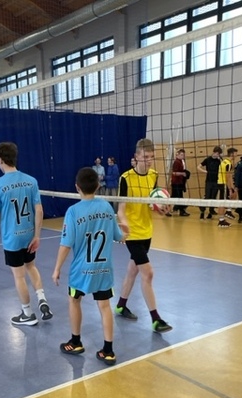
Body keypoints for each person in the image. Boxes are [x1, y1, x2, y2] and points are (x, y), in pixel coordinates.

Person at [52, 167, 127, 366]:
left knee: (74, 300)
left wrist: (57, 268)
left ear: (77, 187)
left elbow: (66, 244)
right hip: (104, 269)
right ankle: (108, 351)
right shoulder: (106, 207)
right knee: (104, 306)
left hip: (81, 270)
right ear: (98, 186)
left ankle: (76, 342)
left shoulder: (73, 212)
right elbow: (118, 237)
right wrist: (125, 233)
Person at [0, 141, 52, 326]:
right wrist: (37, 235)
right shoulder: (31, 181)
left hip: (12, 238)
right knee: (31, 266)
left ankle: (28, 313)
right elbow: (39, 210)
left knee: (19, 276)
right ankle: (42, 299)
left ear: (1, 160)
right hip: (29, 235)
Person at [115, 138, 173, 333]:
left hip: (147, 231)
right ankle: (156, 319)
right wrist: (124, 227)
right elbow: (121, 209)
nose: (148, 161)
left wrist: (161, 209)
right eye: (145, 157)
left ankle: (121, 305)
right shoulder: (126, 178)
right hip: (133, 234)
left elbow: (151, 203)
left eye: (151, 157)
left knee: (132, 271)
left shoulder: (154, 175)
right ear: (136, 157)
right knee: (148, 274)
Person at [197, 146, 222, 220]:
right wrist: (205, 171)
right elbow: (198, 167)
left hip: (216, 181)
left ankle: (210, 212)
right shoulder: (207, 159)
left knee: (213, 197)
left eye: (219, 154)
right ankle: (202, 212)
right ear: (214, 152)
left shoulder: (219, 161)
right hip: (209, 181)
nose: (218, 155)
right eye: (217, 154)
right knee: (207, 197)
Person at [216, 147, 238, 227]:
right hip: (224, 184)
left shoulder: (224, 162)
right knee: (222, 202)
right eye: (235, 153)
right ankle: (221, 220)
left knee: (232, 196)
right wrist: (230, 188)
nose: (236, 155)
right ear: (232, 154)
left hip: (221, 183)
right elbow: (228, 177)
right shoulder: (228, 164)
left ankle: (228, 211)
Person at [171, 148, 190, 216]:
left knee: (176, 197)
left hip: (179, 182)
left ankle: (176, 208)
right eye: (181, 155)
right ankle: (181, 211)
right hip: (176, 183)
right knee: (179, 197)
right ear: (177, 155)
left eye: (183, 155)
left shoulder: (181, 161)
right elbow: (174, 173)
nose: (183, 156)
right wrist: (183, 173)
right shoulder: (177, 162)